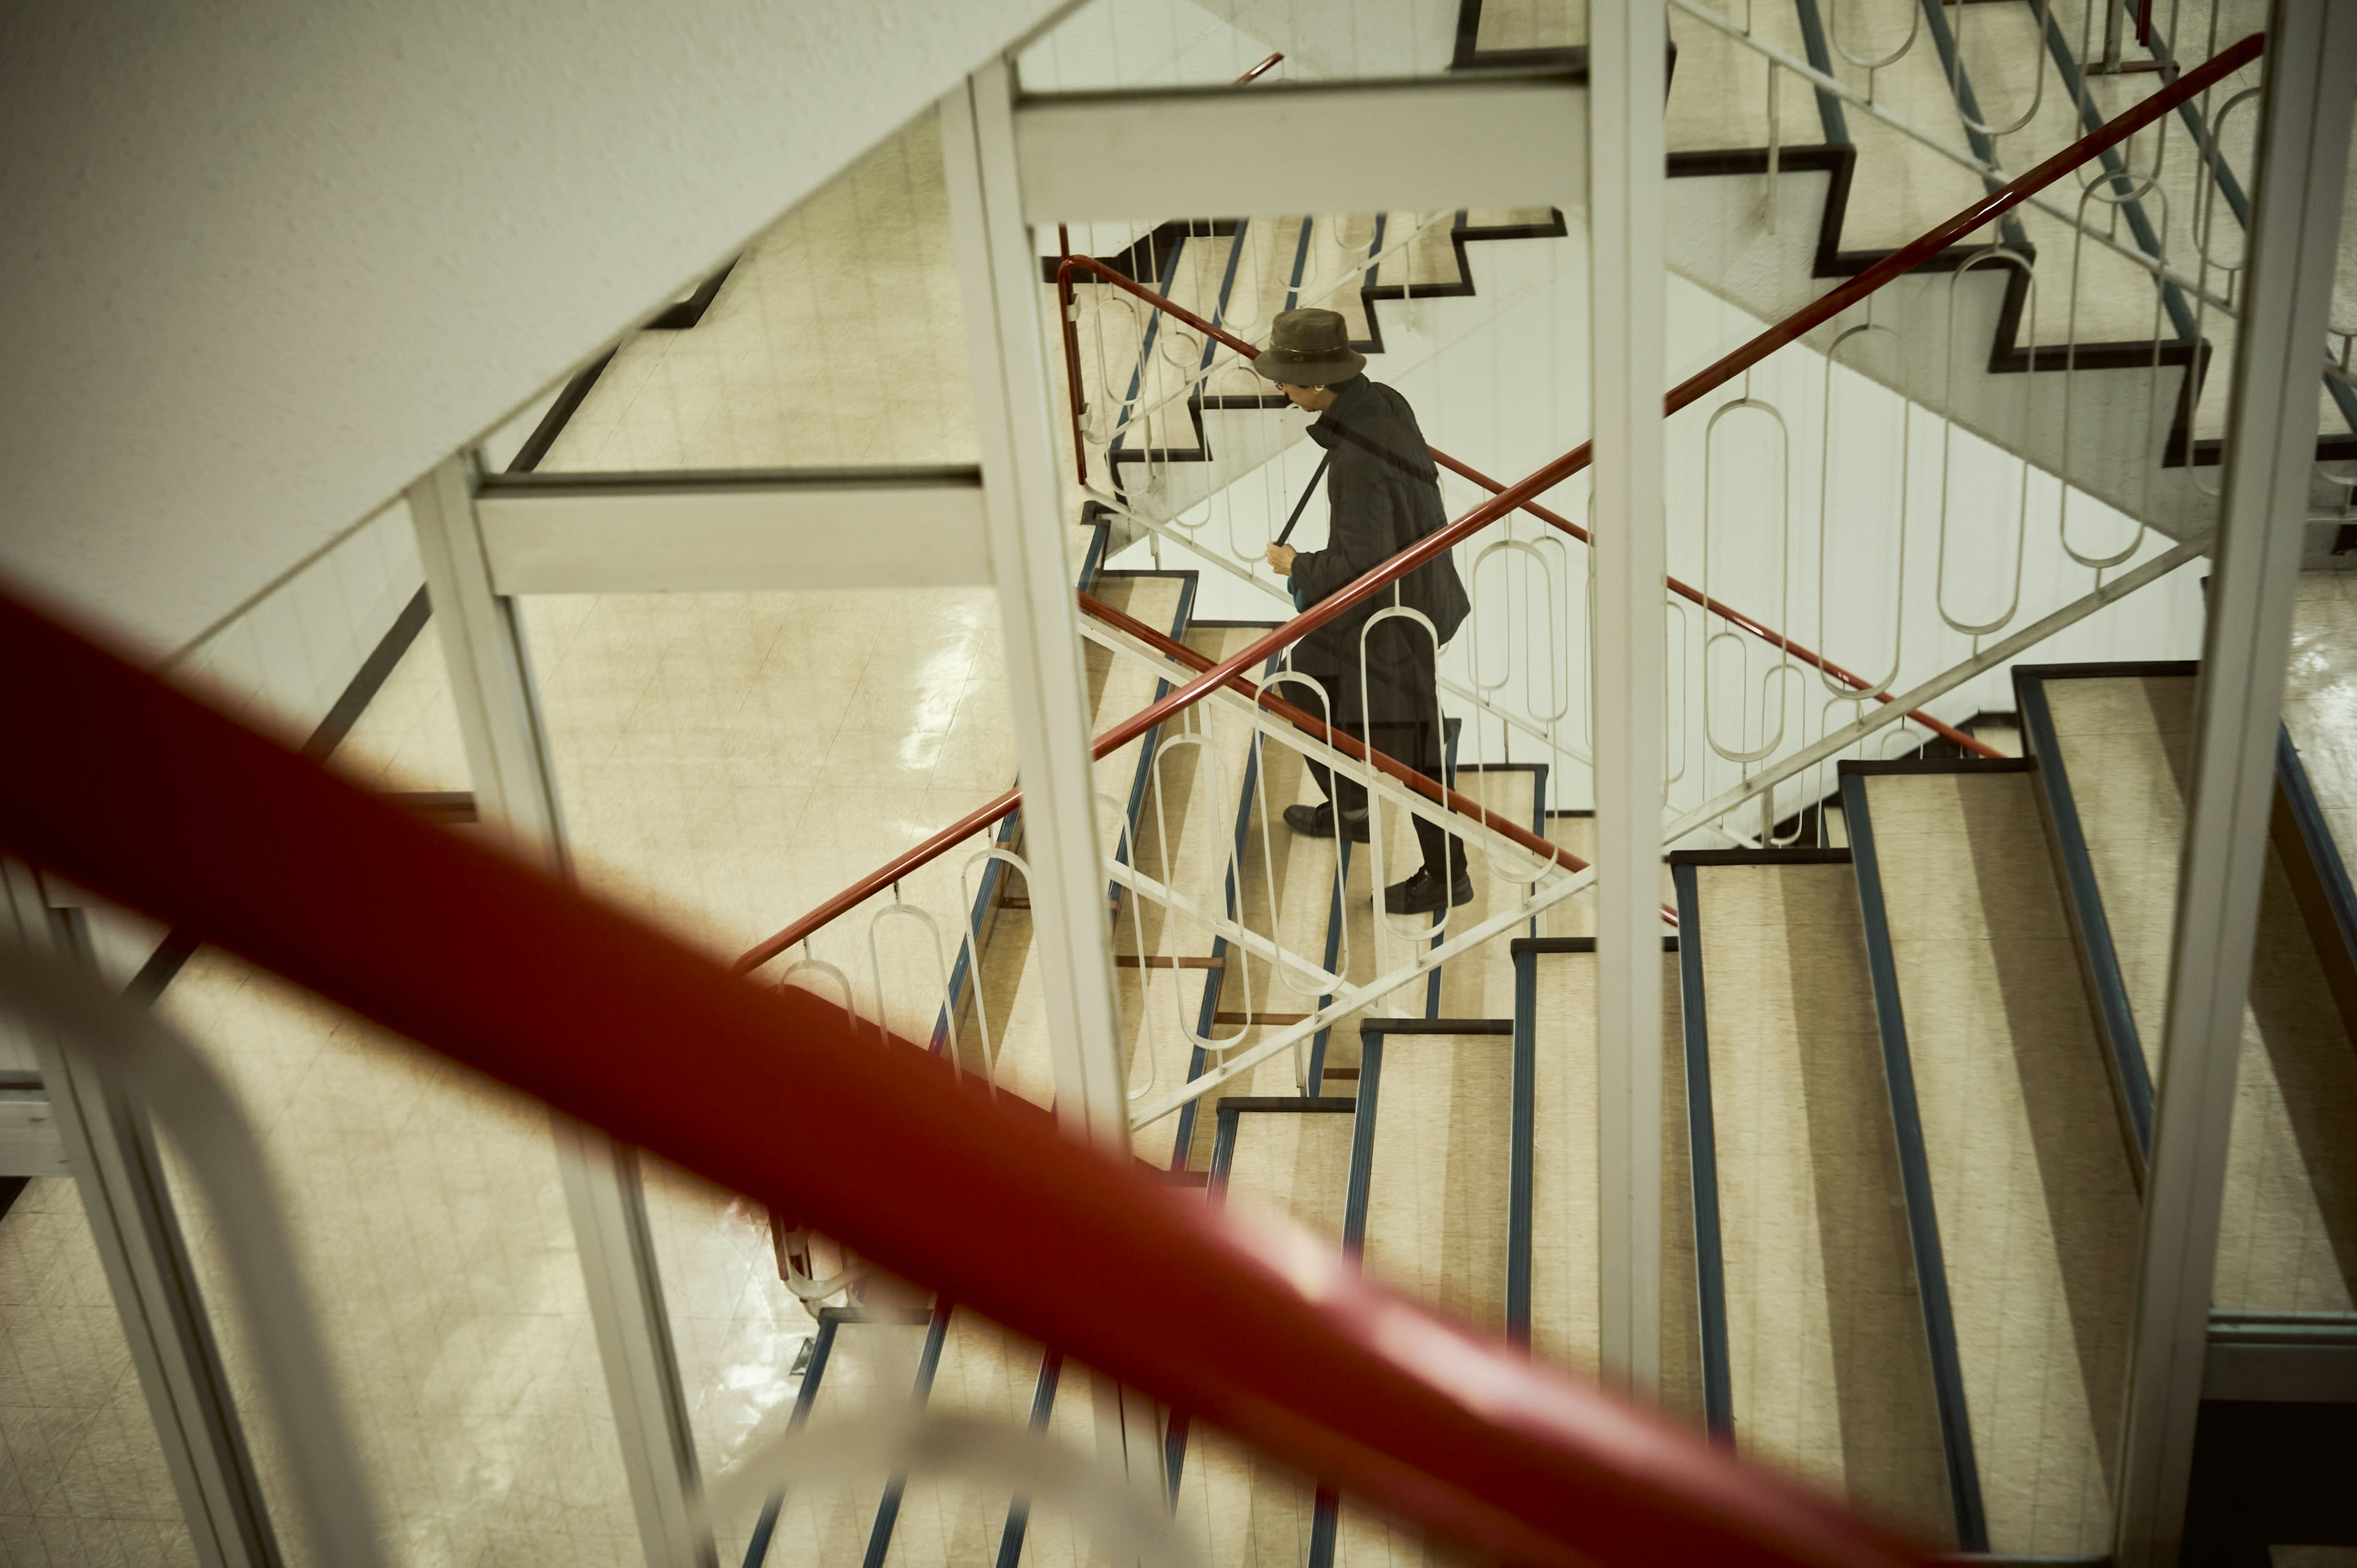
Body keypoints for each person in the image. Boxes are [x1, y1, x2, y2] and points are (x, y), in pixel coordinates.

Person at [1255, 307, 1473, 916]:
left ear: (1321, 382)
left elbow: (1362, 562)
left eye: (1289, 381)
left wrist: (1295, 564)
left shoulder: (1355, 460)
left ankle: (1446, 874)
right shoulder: (1382, 403)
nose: (1282, 390)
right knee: (1304, 685)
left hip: (1394, 617)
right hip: (1413, 596)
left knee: (1413, 745)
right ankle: (1350, 808)